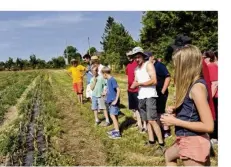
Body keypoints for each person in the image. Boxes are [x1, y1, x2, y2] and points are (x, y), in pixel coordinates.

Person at [161, 45, 214, 166]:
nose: (175, 69)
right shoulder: (192, 85)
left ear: (185, 65)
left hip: (193, 142)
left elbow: (208, 126)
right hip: (186, 139)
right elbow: (193, 111)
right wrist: (177, 110)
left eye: (176, 65)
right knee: (169, 155)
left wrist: (175, 121)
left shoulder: (197, 88)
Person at [130, 47, 164, 152]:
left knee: (152, 120)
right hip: (141, 96)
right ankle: (151, 141)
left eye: (138, 57)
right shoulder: (136, 69)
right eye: (135, 57)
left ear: (143, 56)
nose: (137, 59)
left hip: (150, 95)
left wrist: (139, 84)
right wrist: (134, 85)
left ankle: (162, 144)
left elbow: (154, 81)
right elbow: (136, 81)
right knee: (147, 121)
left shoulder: (148, 65)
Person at [147, 52, 171, 138]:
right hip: (154, 93)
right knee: (156, 112)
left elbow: (168, 77)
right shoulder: (149, 66)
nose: (147, 59)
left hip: (161, 92)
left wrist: (163, 91)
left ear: (152, 57)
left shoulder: (160, 65)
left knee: (161, 111)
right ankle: (159, 128)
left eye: (148, 57)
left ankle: (166, 131)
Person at [126, 51, 146, 132]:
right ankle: (139, 124)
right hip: (130, 90)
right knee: (135, 108)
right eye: (127, 56)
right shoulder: (128, 65)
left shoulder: (138, 64)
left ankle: (145, 124)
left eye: (131, 55)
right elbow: (128, 75)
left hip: (138, 90)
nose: (129, 57)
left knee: (141, 108)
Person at [102, 67, 121, 139]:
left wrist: (116, 100)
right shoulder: (108, 80)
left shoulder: (112, 80)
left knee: (112, 115)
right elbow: (109, 88)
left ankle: (117, 133)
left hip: (113, 101)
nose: (102, 76)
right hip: (110, 101)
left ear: (105, 74)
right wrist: (105, 92)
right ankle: (116, 129)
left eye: (102, 75)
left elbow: (118, 90)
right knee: (114, 115)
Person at [204, 51, 218, 144]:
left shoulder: (211, 66)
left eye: (204, 57)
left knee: (215, 116)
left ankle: (215, 137)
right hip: (214, 96)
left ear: (209, 58)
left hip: (215, 96)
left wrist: (210, 98)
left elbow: (214, 83)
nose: (203, 59)